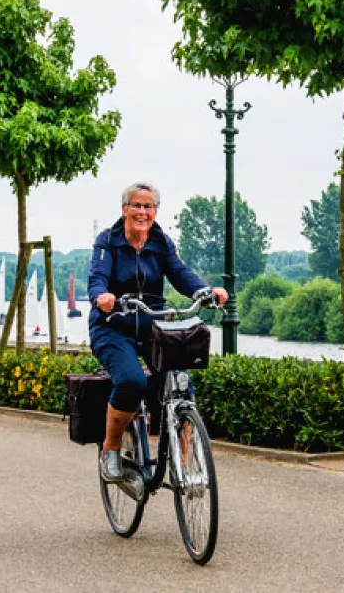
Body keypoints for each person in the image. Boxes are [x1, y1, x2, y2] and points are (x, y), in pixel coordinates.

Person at [87, 181, 227, 483]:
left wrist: (204, 292)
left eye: (148, 206)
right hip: (113, 327)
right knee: (131, 381)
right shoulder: (108, 241)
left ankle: (185, 466)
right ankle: (111, 449)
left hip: (152, 326)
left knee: (181, 385)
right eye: (136, 205)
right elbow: (97, 277)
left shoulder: (160, 242)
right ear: (125, 209)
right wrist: (103, 297)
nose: (142, 212)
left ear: (155, 211)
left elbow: (178, 272)